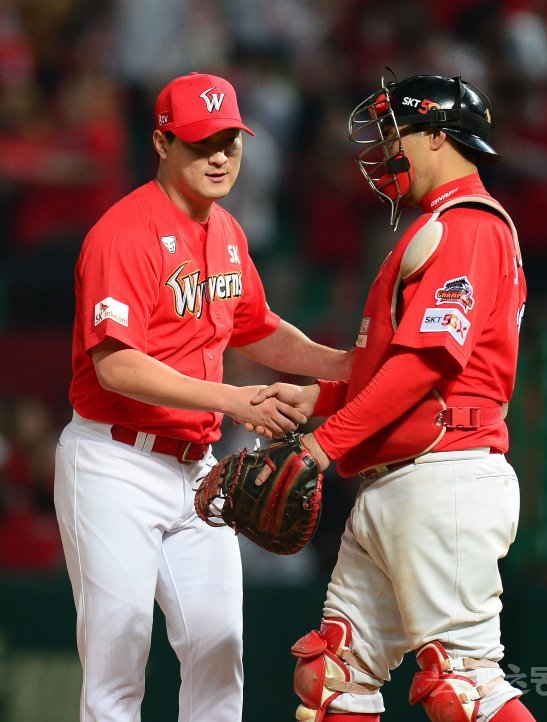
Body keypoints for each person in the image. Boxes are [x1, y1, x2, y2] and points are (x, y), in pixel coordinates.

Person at [53, 71, 353, 722]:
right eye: (200, 143)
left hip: (195, 471)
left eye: (229, 141)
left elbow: (257, 326)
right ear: (162, 143)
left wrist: (342, 365)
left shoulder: (226, 232)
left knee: (219, 652)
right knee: (117, 665)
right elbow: (116, 365)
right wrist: (233, 399)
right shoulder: (124, 232)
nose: (219, 157)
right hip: (115, 463)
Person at [252, 74, 535, 721]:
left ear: (437, 135)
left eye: (396, 133)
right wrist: (318, 397)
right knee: (332, 676)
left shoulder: (468, 224)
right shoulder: (440, 224)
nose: (386, 151)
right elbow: (392, 370)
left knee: (464, 691)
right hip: (401, 479)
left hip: (445, 474)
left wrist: (321, 446)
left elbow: (423, 367)